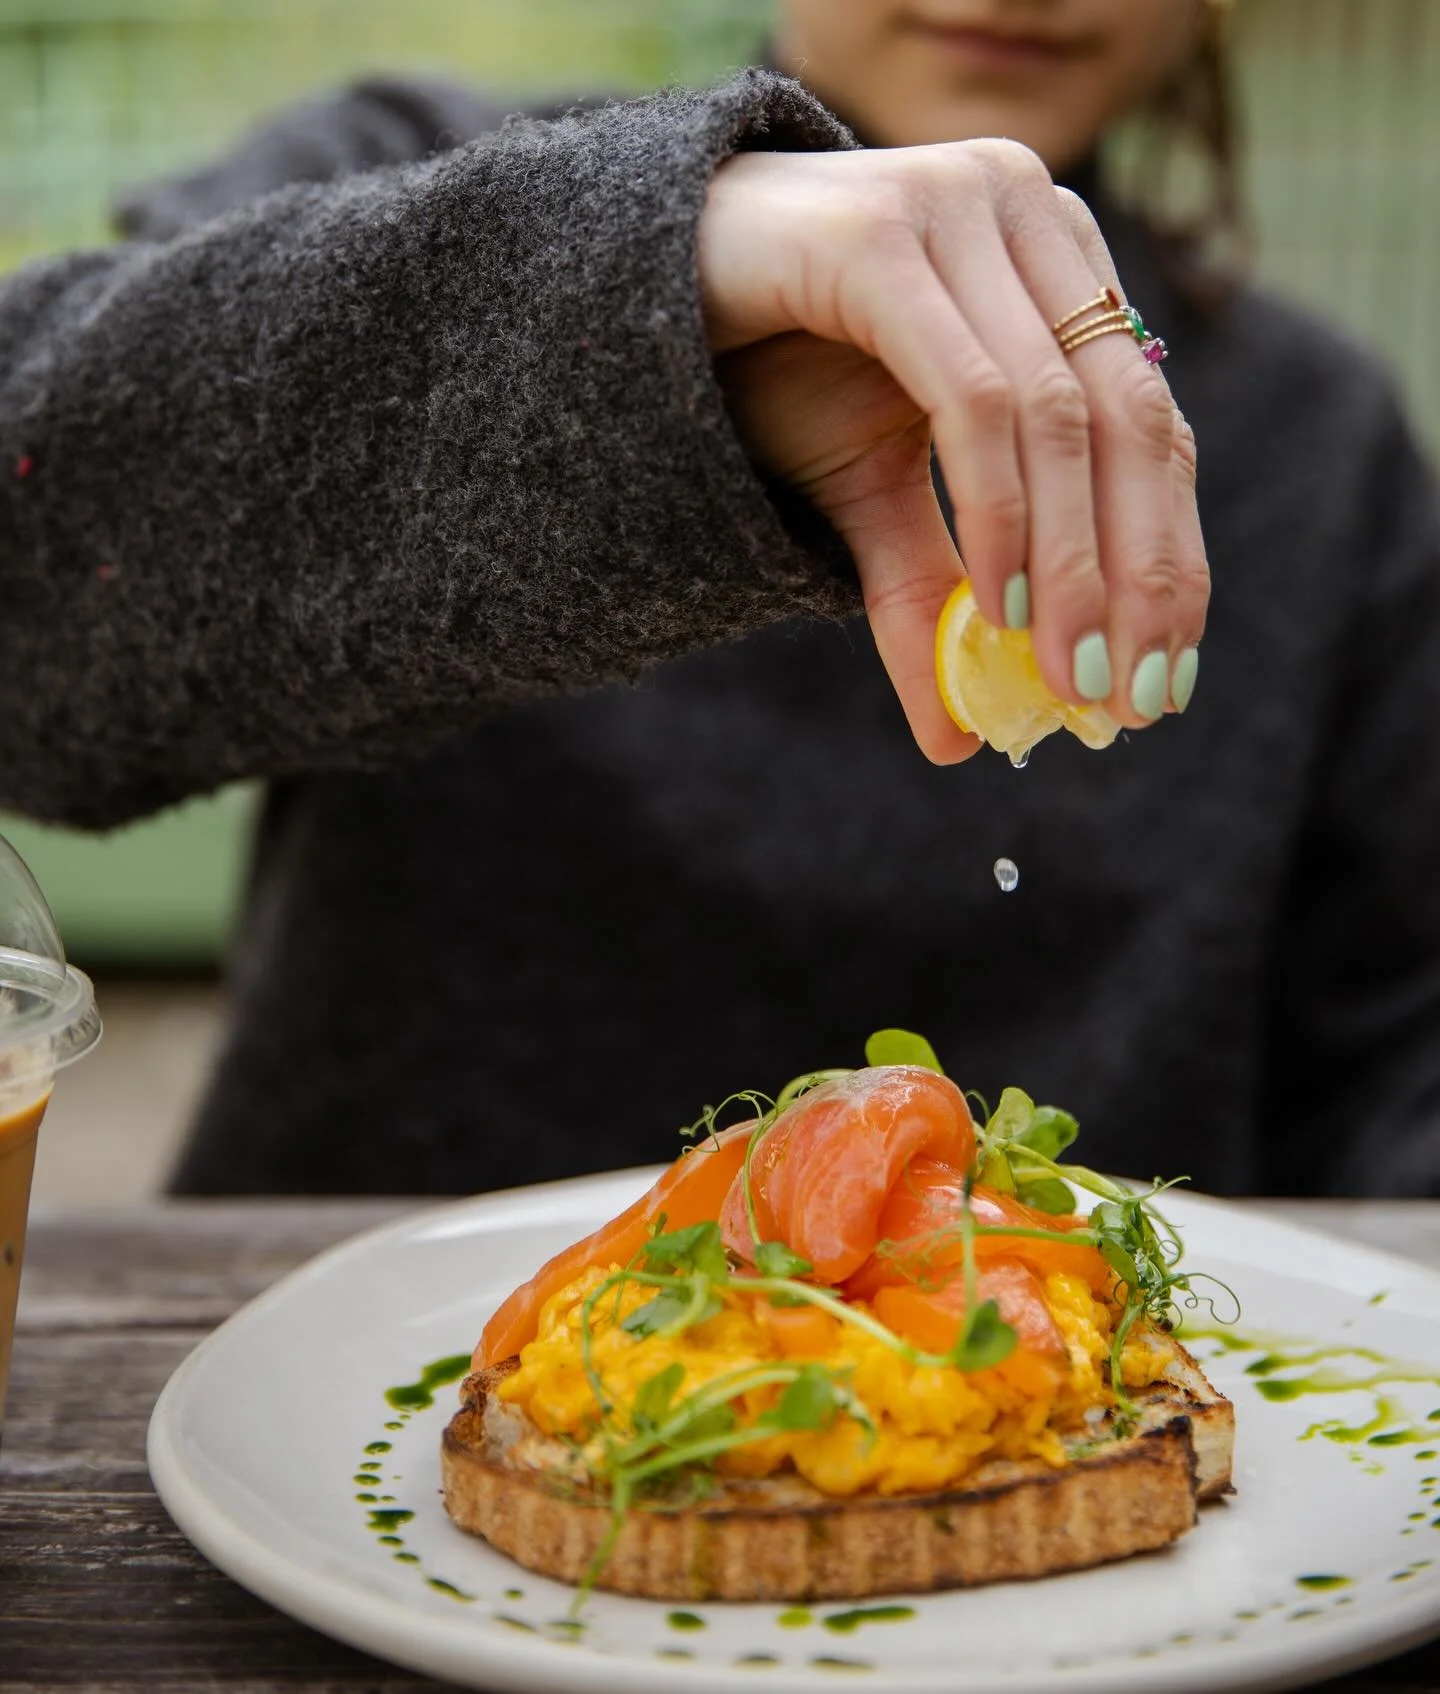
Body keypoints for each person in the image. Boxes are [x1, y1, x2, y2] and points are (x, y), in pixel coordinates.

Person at [0, 0, 1435, 1199]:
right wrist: (645, 292)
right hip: (337, 1412)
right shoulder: (419, 183)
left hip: (1082, 1460)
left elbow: (1395, 1069)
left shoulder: (1328, 447)